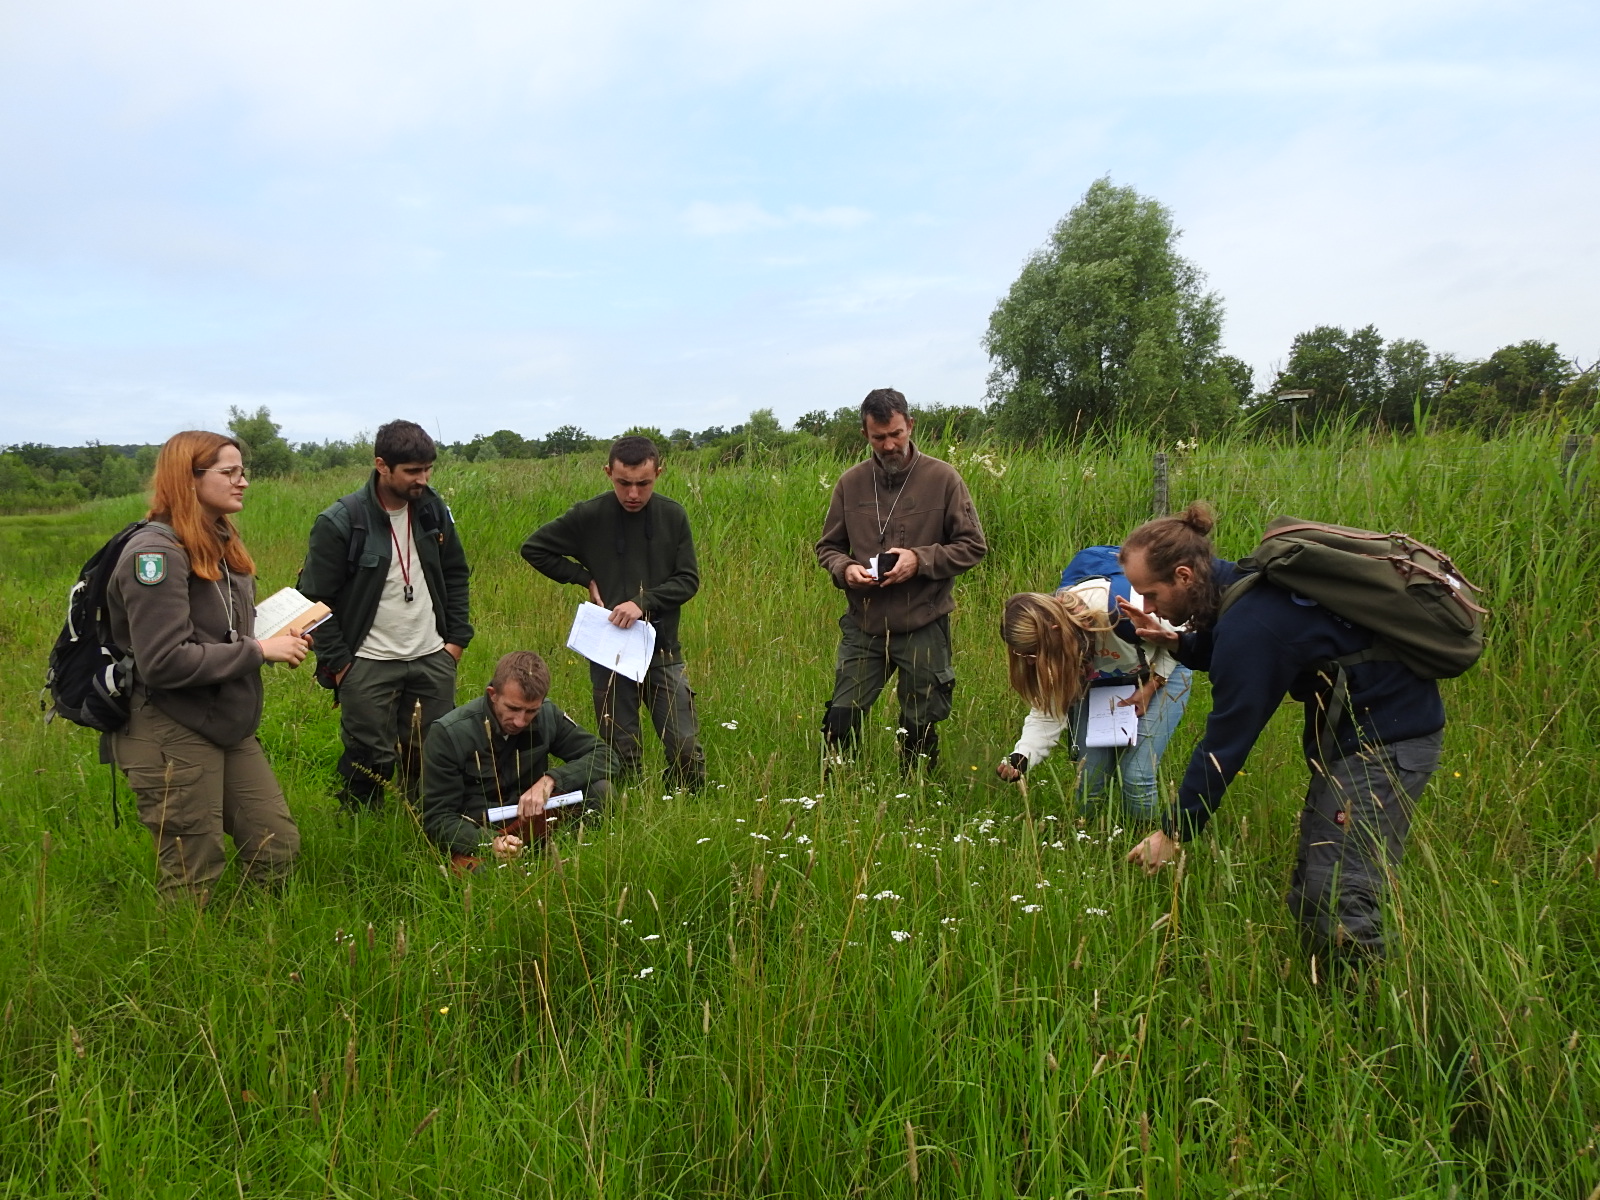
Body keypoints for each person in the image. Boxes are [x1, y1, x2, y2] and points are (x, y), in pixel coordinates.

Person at [1117, 503, 1445, 964]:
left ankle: (1366, 1013)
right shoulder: (1243, 588)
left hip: (1386, 743)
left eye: (1152, 595)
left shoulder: (1253, 621)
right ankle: (1328, 995)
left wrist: (1175, 830)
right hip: (1361, 737)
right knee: (1315, 879)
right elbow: (1247, 648)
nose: (1148, 608)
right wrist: (1178, 643)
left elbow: (1226, 739)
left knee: (1340, 890)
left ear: (1185, 576)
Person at [105, 431, 309, 903]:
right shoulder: (153, 555)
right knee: (192, 870)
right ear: (188, 479)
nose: (243, 482)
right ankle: (183, 962)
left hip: (225, 720)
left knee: (275, 845)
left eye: (242, 471)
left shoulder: (220, 539)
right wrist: (260, 651)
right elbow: (163, 661)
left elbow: (223, 628)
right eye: (229, 473)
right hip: (168, 723)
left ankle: (260, 946)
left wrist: (281, 632)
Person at [298, 420, 473, 809]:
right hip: (368, 661)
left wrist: (456, 642)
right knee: (369, 758)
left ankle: (427, 828)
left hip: (431, 656)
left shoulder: (433, 510)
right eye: (412, 471)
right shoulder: (341, 521)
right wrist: (342, 664)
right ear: (381, 465)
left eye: (428, 469)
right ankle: (360, 829)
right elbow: (312, 601)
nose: (422, 479)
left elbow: (457, 574)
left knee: (431, 755)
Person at [815, 388, 987, 770]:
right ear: (865, 435)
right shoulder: (850, 483)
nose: (890, 445)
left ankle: (918, 795)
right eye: (879, 438)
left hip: (923, 621)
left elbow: (973, 546)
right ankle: (842, 793)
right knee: (841, 716)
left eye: (896, 434)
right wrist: (846, 570)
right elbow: (828, 548)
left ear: (910, 425)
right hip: (865, 624)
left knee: (920, 723)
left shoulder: (943, 478)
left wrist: (919, 560)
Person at [520, 435, 705, 790]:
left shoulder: (672, 515)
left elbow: (688, 580)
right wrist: (584, 578)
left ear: (659, 473)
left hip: (662, 649)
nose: (633, 494)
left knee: (684, 748)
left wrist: (643, 603)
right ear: (608, 473)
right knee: (621, 748)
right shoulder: (589, 515)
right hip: (609, 651)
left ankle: (687, 803)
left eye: (643, 484)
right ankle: (628, 808)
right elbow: (534, 548)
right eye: (623, 483)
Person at [996, 583, 1192, 822]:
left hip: (1162, 669)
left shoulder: (1118, 610)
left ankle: (1149, 843)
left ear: (1055, 630)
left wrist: (1153, 685)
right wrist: (1021, 756)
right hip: (1103, 680)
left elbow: (1180, 633)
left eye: (1033, 654)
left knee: (1137, 775)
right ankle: (1089, 838)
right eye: (1023, 655)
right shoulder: (1049, 647)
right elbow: (1048, 710)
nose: (1029, 663)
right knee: (1089, 777)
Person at [422, 651, 613, 863]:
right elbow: (437, 818)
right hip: (479, 830)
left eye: (531, 711)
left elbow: (605, 756)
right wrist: (487, 843)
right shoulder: (450, 733)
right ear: (493, 694)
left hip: (534, 819)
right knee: (484, 881)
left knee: (602, 791)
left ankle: (566, 859)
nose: (521, 721)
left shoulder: (548, 715)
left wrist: (551, 780)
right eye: (513, 708)